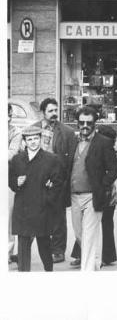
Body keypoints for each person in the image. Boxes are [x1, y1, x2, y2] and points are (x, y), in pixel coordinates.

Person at [66, 106, 117, 271]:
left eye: (88, 123)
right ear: (77, 123)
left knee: (89, 236)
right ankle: (94, 262)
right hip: (74, 195)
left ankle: (87, 272)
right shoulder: (73, 142)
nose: (84, 125)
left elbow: (114, 170)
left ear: (94, 124)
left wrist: (102, 186)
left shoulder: (103, 142)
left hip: (93, 196)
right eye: (81, 122)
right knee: (79, 235)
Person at [9, 125, 64, 272]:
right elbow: (10, 179)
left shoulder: (51, 159)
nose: (33, 142)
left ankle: (48, 271)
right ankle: (23, 274)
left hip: (42, 208)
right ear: (24, 141)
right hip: (23, 209)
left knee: (44, 245)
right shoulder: (17, 159)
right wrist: (16, 182)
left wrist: (48, 197)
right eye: (29, 139)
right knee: (23, 247)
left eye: (36, 138)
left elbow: (58, 182)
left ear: (40, 139)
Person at [32, 97, 77, 264]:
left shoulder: (67, 132)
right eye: (50, 111)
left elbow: (71, 159)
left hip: (58, 179)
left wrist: (65, 181)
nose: (54, 114)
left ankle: (58, 251)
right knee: (35, 214)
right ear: (43, 112)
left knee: (58, 216)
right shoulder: (33, 130)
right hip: (36, 179)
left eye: (56, 110)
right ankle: (25, 250)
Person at [8, 103, 23, 265]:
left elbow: (11, 154)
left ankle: (7, 253)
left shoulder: (15, 132)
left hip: (7, 179)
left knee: (7, 218)